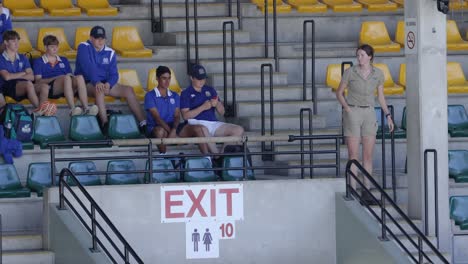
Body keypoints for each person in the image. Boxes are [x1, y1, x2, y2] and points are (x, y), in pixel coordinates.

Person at [336, 44, 394, 204]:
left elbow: (381, 96)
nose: (359, 58)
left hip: (369, 111)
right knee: (353, 155)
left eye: (362, 55)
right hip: (353, 111)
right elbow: (339, 92)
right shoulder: (350, 72)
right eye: (358, 55)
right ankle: (353, 188)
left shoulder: (378, 74)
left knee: (368, 156)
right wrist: (347, 108)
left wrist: (387, 115)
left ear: (370, 57)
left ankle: (367, 191)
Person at [74, 25, 146, 132]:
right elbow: (88, 67)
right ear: (91, 38)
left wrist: (109, 84)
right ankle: (105, 124)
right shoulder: (83, 47)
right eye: (97, 38)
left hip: (103, 83)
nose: (100, 41)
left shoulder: (110, 52)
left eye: (102, 38)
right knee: (99, 90)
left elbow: (114, 74)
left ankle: (143, 123)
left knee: (128, 90)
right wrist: (97, 82)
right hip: (86, 83)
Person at [145, 66, 211, 154]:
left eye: (169, 78)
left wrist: (174, 130)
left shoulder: (175, 95)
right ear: (157, 78)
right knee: (160, 131)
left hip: (173, 127)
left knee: (198, 128)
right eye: (164, 78)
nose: (167, 81)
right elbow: (157, 118)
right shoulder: (150, 95)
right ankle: (164, 158)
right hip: (156, 127)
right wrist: (171, 132)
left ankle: (207, 159)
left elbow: (177, 116)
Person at [180, 64, 244, 155]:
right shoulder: (186, 93)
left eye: (203, 78)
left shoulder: (210, 90)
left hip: (213, 123)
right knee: (202, 129)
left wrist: (217, 103)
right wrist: (203, 107)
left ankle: (222, 156)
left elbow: (222, 112)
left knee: (238, 130)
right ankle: (217, 156)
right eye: (199, 78)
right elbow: (185, 116)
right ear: (191, 78)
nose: (202, 81)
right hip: (196, 123)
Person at [33, 35, 98, 116]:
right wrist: (56, 78)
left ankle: (86, 108)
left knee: (79, 77)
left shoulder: (63, 60)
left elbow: (70, 74)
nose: (55, 49)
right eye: (52, 47)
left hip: (67, 86)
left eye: (56, 46)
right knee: (66, 78)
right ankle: (72, 109)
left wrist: (69, 77)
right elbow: (38, 81)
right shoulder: (39, 61)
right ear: (45, 47)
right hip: (51, 88)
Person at [0, 30, 54, 114]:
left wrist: (15, 75)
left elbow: (32, 76)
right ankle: (42, 112)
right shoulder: (1, 59)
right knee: (29, 84)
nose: (17, 44)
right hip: (8, 87)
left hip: (26, 86)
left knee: (44, 87)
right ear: (6, 42)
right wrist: (23, 73)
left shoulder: (23, 57)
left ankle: (41, 113)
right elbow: (7, 77)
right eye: (13, 41)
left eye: (18, 41)